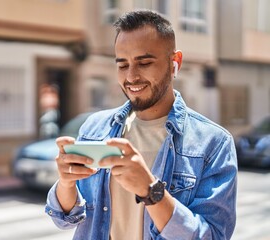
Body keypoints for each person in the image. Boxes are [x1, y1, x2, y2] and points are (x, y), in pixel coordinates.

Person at [45, 9, 237, 240]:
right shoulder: (95, 127)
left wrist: (151, 192)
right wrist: (66, 183)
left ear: (175, 62)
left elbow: (214, 236)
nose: (131, 76)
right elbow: (64, 219)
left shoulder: (213, 143)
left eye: (144, 62)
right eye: (122, 65)